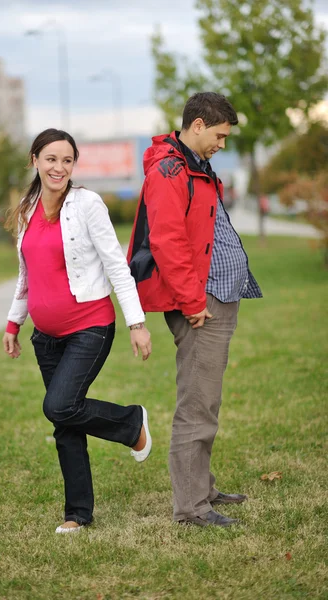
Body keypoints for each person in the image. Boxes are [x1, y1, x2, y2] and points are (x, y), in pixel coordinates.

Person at [3, 128, 152, 534]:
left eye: (67, 160)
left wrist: (136, 322)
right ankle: (77, 514)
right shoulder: (28, 206)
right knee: (65, 423)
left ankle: (131, 423)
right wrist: (14, 321)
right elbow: (26, 275)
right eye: (51, 158)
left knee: (60, 405)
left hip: (90, 327)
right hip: (45, 336)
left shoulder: (86, 204)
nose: (59, 167)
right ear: (35, 160)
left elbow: (116, 264)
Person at [128, 92, 262, 528]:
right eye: (220, 136)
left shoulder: (193, 163)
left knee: (208, 399)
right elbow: (167, 241)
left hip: (215, 293)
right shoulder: (169, 169)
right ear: (199, 124)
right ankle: (191, 508)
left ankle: (201, 487)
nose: (223, 144)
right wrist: (192, 301)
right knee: (197, 403)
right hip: (199, 301)